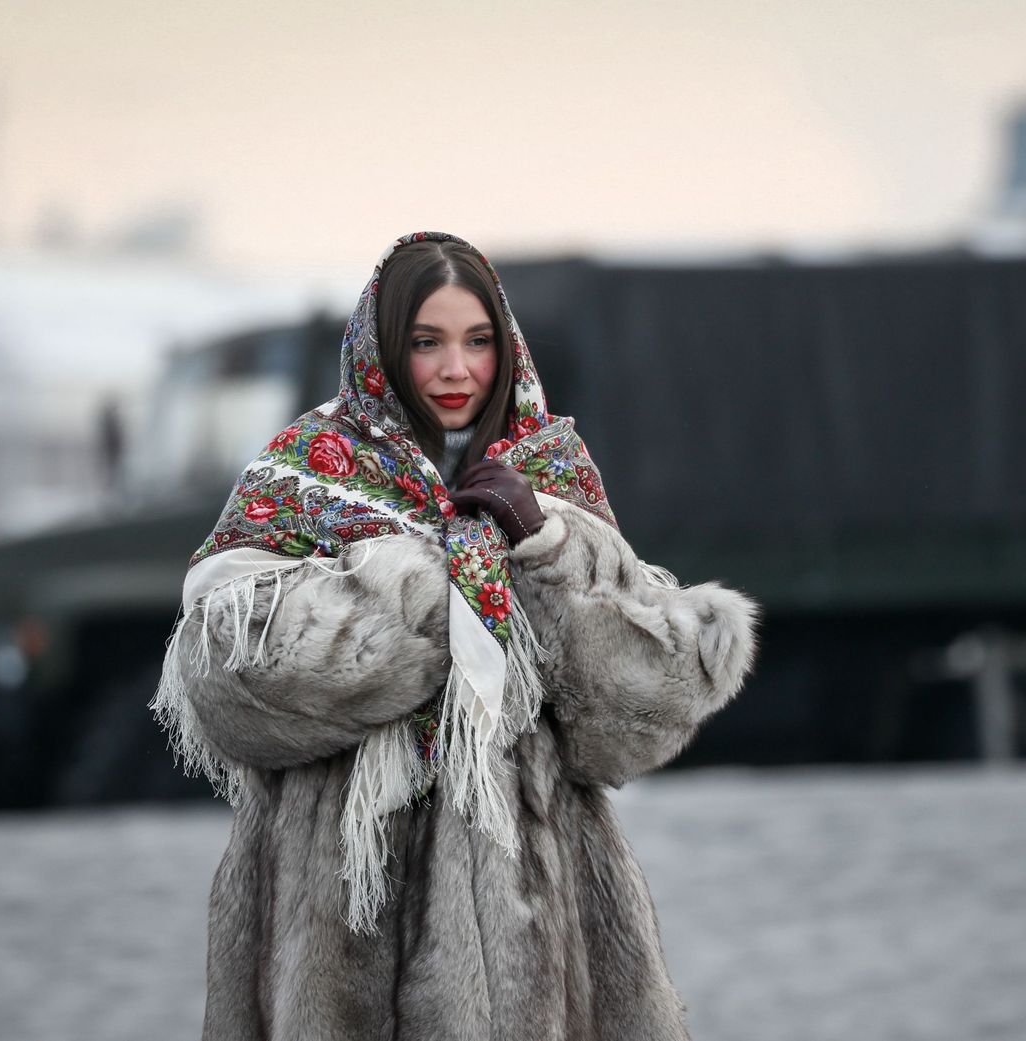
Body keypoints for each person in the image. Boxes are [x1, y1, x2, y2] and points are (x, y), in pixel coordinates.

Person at [152, 231, 758, 1039]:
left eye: (478, 341)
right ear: (380, 349)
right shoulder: (306, 471)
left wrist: (541, 549)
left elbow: (637, 719)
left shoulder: (551, 476)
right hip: (336, 938)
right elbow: (229, 681)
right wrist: (433, 594)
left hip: (538, 948)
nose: (454, 368)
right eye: (425, 342)